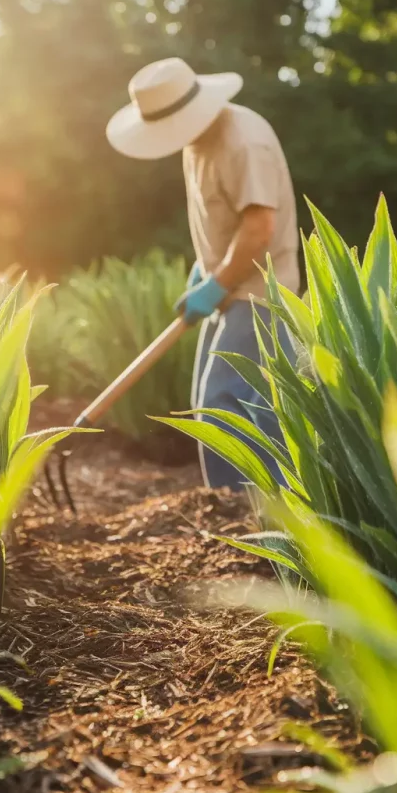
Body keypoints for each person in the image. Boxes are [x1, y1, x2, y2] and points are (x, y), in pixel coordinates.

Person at [106, 57, 300, 491]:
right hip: (230, 286)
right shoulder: (197, 141)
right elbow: (222, 218)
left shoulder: (244, 143)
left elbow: (259, 227)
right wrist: (205, 270)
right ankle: (234, 508)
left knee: (224, 406)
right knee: (209, 404)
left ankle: (247, 515)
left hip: (259, 292)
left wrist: (218, 282)